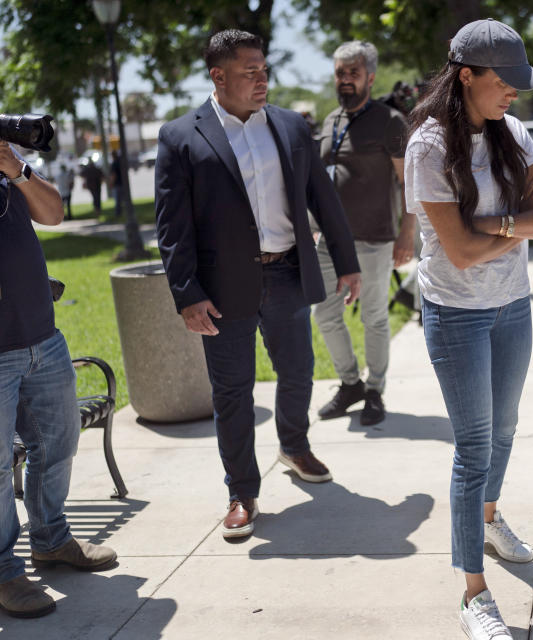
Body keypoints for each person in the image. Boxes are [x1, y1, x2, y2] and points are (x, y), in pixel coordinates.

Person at [154, 29, 362, 540]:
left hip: (289, 270)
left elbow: (323, 200)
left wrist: (347, 261)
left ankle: (293, 445)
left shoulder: (292, 127)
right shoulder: (181, 136)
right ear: (218, 76)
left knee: (298, 372)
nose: (262, 80)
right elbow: (171, 226)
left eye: (265, 70)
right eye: (250, 72)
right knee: (233, 391)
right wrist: (187, 294)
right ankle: (242, 491)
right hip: (222, 288)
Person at [405, 18, 533, 640]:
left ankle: (490, 519)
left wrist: (497, 226)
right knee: (473, 448)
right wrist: (516, 224)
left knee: (505, 428)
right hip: (455, 315)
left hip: (513, 306)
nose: (516, 95)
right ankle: (473, 592)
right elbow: (459, 254)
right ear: (466, 76)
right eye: (506, 82)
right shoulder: (427, 147)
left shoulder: (512, 130)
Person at [0, 141, 117, 619]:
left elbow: (53, 213)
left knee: (59, 442)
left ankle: (50, 539)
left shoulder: (6, 171)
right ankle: (4, 570)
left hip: (42, 340)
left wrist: (17, 169)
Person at [312, 41, 416, 426]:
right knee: (324, 314)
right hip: (328, 240)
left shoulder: (390, 121)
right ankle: (349, 383)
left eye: (353, 73)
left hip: (374, 237)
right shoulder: (330, 121)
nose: (345, 80)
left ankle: (375, 391)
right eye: (340, 72)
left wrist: (407, 233)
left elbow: (410, 183)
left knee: (373, 316)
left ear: (370, 77)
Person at [53, 155, 75, 220]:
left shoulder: (58, 176)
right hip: (67, 191)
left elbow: (56, 182)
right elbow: (71, 181)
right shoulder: (67, 175)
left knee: (63, 206)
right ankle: (69, 216)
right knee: (68, 205)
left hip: (61, 192)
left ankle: (64, 216)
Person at [109, 150, 122, 217]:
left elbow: (113, 175)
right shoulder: (120, 163)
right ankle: (121, 213)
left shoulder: (114, 164)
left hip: (117, 184)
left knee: (117, 200)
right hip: (122, 183)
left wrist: (111, 183)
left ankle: (118, 214)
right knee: (122, 200)